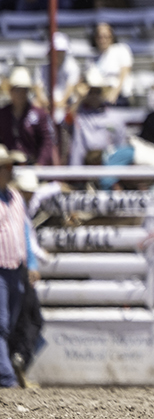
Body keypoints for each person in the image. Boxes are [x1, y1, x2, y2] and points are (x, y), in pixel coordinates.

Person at [0, 145, 40, 388]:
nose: (9, 170)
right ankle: (6, 378)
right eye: (5, 167)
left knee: (12, 322)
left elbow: (24, 231)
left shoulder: (15, 197)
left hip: (16, 267)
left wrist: (31, 262)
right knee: (2, 323)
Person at [0, 70, 53, 167]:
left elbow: (47, 140)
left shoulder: (39, 114)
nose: (21, 94)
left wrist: (41, 163)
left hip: (32, 164)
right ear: (10, 91)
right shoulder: (2, 114)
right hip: (6, 166)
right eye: (17, 90)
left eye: (24, 90)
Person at [88, 22, 132, 106]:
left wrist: (115, 92)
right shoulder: (92, 59)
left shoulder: (121, 49)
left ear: (112, 37)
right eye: (100, 37)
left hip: (120, 97)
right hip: (100, 99)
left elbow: (125, 72)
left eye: (106, 36)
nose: (103, 40)